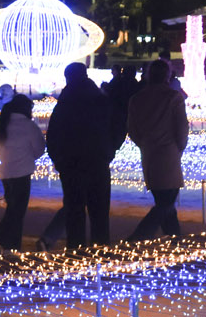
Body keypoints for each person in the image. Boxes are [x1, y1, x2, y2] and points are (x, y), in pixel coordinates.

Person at [43, 63, 115, 249]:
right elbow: (116, 127)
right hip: (98, 161)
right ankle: (101, 250)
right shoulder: (100, 100)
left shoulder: (65, 103)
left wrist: (59, 160)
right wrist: (108, 151)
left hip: (71, 164)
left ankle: (76, 250)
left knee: (74, 211)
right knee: (99, 211)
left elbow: (53, 135)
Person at [125, 59, 189, 242]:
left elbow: (132, 129)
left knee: (165, 202)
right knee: (166, 203)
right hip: (169, 154)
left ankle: (175, 240)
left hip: (150, 154)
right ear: (167, 76)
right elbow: (181, 128)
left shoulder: (137, 99)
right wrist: (178, 147)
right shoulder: (173, 98)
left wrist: (144, 144)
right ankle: (139, 237)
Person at [0, 91, 44, 255]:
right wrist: (27, 156)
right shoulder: (29, 126)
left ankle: (12, 247)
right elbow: (39, 148)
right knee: (16, 212)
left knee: (14, 210)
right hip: (22, 173)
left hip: (5, 173)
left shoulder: (2, 125)